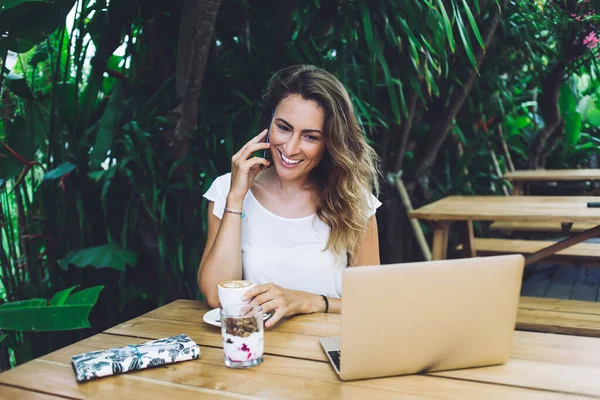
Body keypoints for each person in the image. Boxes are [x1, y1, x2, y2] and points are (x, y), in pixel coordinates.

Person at [199, 65, 381, 327]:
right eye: (283, 128)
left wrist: (308, 302)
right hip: (254, 346)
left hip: (329, 351)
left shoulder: (353, 199)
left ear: (330, 143)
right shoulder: (227, 189)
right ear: (269, 123)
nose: (291, 148)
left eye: (310, 136)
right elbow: (217, 297)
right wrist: (236, 198)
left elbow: (372, 301)